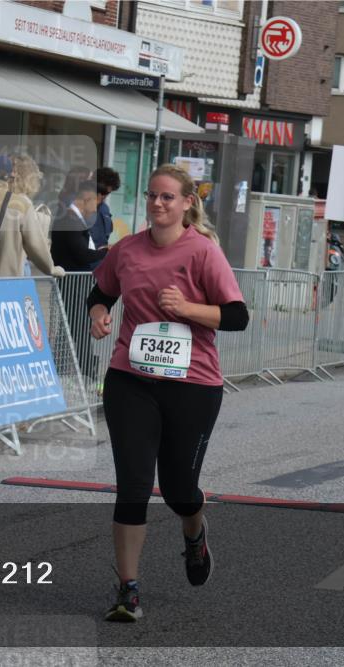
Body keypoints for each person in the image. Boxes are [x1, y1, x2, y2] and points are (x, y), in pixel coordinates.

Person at [88, 164, 249, 623]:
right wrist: (100, 313)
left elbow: (237, 316)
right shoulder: (126, 250)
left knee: (179, 491)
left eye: (167, 198)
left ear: (186, 204)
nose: (158, 204)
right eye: (152, 197)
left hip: (193, 387)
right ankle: (127, 588)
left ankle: (194, 530)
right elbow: (99, 293)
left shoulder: (203, 252)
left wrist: (188, 309)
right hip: (130, 381)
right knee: (134, 486)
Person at [50, 178, 108, 272]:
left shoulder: (71, 219)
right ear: (87, 199)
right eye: (96, 202)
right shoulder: (71, 221)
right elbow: (82, 255)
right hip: (71, 280)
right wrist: (105, 252)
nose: (95, 209)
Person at [89, 167, 121, 256]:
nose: (104, 196)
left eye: (107, 193)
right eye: (101, 191)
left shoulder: (104, 209)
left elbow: (105, 237)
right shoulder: (79, 207)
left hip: (100, 263)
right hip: (80, 266)